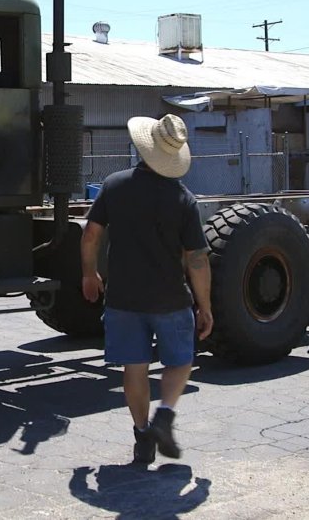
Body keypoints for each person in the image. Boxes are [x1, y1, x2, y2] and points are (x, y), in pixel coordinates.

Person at [80, 113, 214, 465]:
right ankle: (165, 415)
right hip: (170, 298)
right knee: (180, 362)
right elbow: (196, 259)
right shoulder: (184, 199)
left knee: (134, 370)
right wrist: (205, 305)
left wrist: (89, 274)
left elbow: (91, 234)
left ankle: (142, 436)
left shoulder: (115, 185)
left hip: (123, 297)